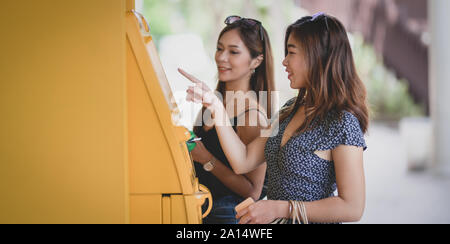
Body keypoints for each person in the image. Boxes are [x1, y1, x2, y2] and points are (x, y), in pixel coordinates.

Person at [180, 13, 369, 224]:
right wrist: (215, 106)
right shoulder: (289, 110)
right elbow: (243, 161)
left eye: (291, 53)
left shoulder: (342, 123)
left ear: (317, 56)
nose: (284, 61)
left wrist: (281, 208)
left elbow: (353, 207)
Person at [184, 15, 274, 224]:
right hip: (199, 209)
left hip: (225, 217)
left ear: (256, 61)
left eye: (233, 52)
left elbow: (253, 191)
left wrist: (206, 159)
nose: (221, 57)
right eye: (219, 48)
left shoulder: (253, 116)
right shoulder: (216, 99)